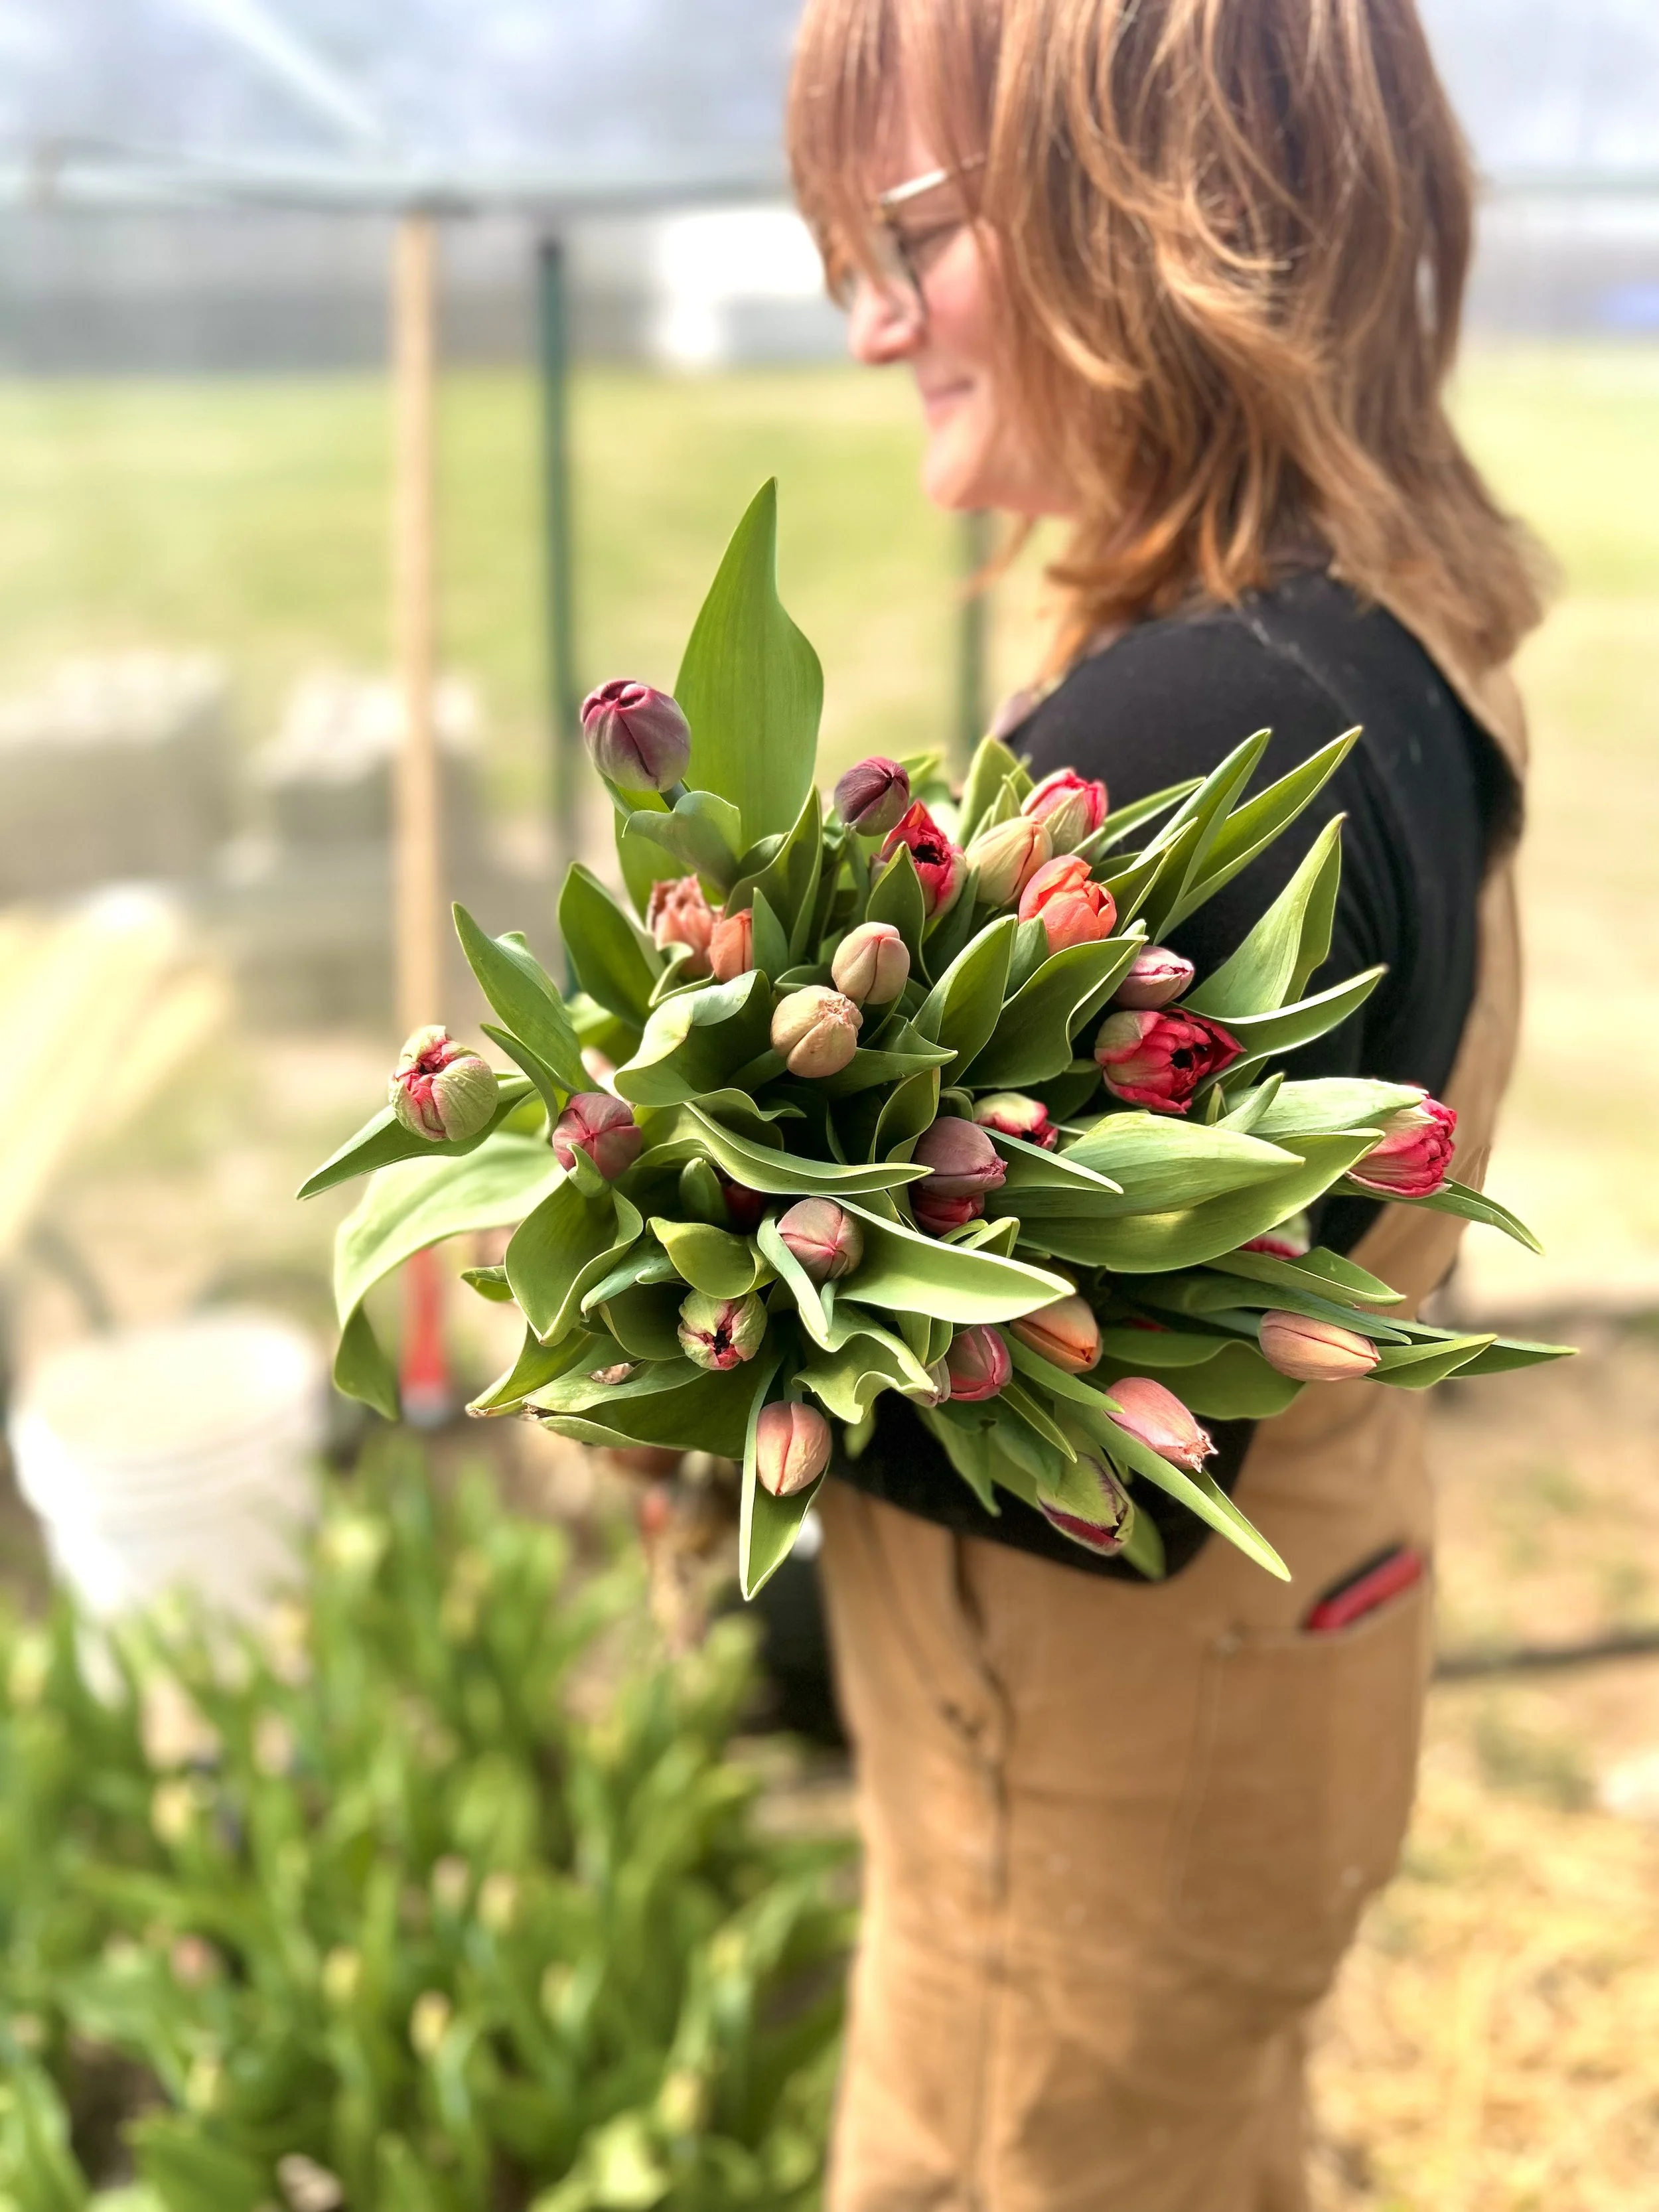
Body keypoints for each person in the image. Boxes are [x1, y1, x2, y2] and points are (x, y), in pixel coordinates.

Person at [786, 1, 1546, 2205]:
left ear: (1152, 211)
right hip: (1278, 1660)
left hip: (1094, 1789)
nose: (872, 327)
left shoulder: (1188, 734)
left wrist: (653, 1269)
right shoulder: (1371, 605)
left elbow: (1057, 1413)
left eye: (906, 233)